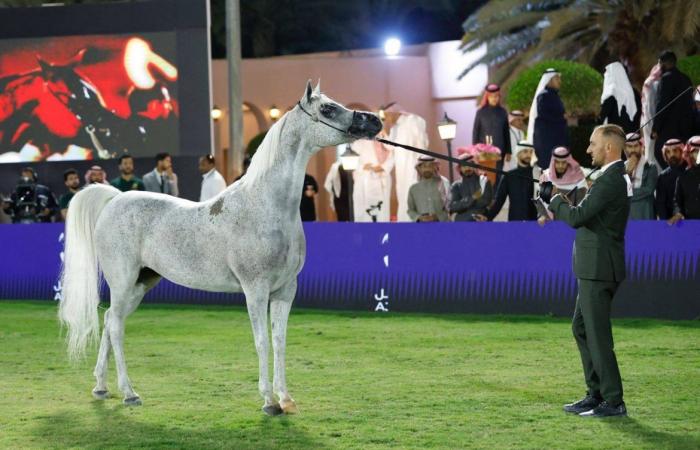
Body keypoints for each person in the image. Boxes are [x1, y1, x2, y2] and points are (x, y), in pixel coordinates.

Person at [548, 124, 630, 418]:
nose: (588, 149)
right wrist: (556, 198)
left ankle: (613, 401)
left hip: (599, 269)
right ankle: (595, 394)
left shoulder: (611, 181)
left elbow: (578, 216)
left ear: (609, 148)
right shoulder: (610, 178)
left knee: (597, 334)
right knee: (581, 328)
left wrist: (555, 200)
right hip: (593, 267)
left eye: (593, 144)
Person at [651, 51, 695, 169]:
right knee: (682, 156)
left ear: (662, 63)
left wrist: (656, 128)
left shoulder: (666, 78)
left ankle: (672, 178)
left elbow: (662, 104)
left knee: (660, 152)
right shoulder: (686, 79)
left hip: (668, 128)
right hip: (686, 127)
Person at [480, 141, 538, 222]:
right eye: (525, 152)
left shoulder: (536, 174)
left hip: (534, 222)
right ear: (518, 153)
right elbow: (499, 201)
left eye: (531, 152)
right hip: (514, 222)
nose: (528, 155)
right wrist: (487, 217)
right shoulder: (509, 176)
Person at [389, 112, 429, 222]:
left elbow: (422, 143)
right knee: (403, 197)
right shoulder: (395, 129)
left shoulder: (413, 120)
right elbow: (389, 147)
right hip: (401, 169)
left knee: (413, 192)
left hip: (413, 165)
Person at [535, 147, 587, 225]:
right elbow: (540, 201)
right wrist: (542, 215)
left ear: (568, 162)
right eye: (557, 162)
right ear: (553, 162)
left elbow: (582, 204)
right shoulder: (546, 177)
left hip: (572, 223)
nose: (560, 166)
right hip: (550, 224)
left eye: (563, 162)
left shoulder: (579, 177)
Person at [529, 68, 568, 170]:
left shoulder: (554, 95)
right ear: (549, 80)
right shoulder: (544, 95)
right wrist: (562, 118)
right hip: (547, 142)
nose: (560, 81)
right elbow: (544, 116)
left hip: (556, 140)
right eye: (557, 79)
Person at [352, 138, 393, 222]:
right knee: (366, 213)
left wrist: (383, 167)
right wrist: (363, 167)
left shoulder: (385, 139)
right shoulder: (357, 144)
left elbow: (393, 156)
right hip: (365, 181)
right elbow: (351, 163)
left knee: (382, 212)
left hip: (382, 180)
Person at [472, 84, 511, 171]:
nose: (494, 98)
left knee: (498, 174)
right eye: (492, 96)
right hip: (484, 151)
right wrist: (475, 150)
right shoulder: (480, 112)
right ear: (487, 97)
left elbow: (506, 132)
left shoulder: (503, 112)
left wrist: (509, 151)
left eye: (496, 96)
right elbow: (475, 131)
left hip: (500, 150)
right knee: (486, 175)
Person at [449, 147, 494, 222]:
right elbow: (453, 206)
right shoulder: (456, 185)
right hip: (463, 222)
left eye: (469, 165)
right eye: (464, 166)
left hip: (481, 219)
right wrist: (473, 197)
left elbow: (485, 202)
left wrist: (464, 204)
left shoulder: (484, 181)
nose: (467, 168)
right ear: (460, 168)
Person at [599, 62, 641, 133]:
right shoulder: (634, 92)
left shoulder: (612, 93)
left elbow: (603, 115)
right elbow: (639, 111)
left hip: (616, 136)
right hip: (632, 135)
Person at [624, 133, 658, 220]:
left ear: (641, 146)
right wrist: (628, 172)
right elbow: (619, 190)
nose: (633, 150)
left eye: (636, 146)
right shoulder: (622, 167)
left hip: (645, 212)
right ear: (625, 149)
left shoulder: (650, 166)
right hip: (627, 215)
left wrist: (626, 194)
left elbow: (649, 190)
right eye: (629, 147)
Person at [407, 156, 449, 222]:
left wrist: (438, 217)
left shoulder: (444, 183)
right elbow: (410, 210)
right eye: (424, 166)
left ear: (434, 167)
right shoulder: (413, 188)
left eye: (430, 166)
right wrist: (419, 218)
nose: (427, 169)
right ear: (419, 168)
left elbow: (449, 207)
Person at [668, 136, 700, 224]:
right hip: (690, 224)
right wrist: (678, 213)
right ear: (689, 153)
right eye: (696, 151)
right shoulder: (683, 177)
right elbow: (677, 201)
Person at [655, 139, 686, 219]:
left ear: (682, 152)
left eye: (675, 151)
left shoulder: (689, 172)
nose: (672, 155)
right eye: (668, 152)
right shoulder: (663, 176)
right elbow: (661, 203)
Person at [640, 64, 663, 167]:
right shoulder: (653, 84)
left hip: (647, 122)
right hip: (652, 122)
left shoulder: (648, 83)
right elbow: (650, 107)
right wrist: (655, 127)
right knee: (652, 150)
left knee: (650, 150)